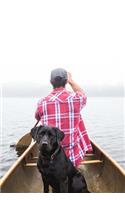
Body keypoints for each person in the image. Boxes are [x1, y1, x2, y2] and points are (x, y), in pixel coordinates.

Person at [35, 68, 92, 167]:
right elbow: (83, 94)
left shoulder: (41, 102)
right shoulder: (76, 99)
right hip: (72, 158)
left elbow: (37, 117)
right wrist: (71, 81)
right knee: (78, 121)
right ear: (66, 81)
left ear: (51, 82)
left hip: (50, 155)